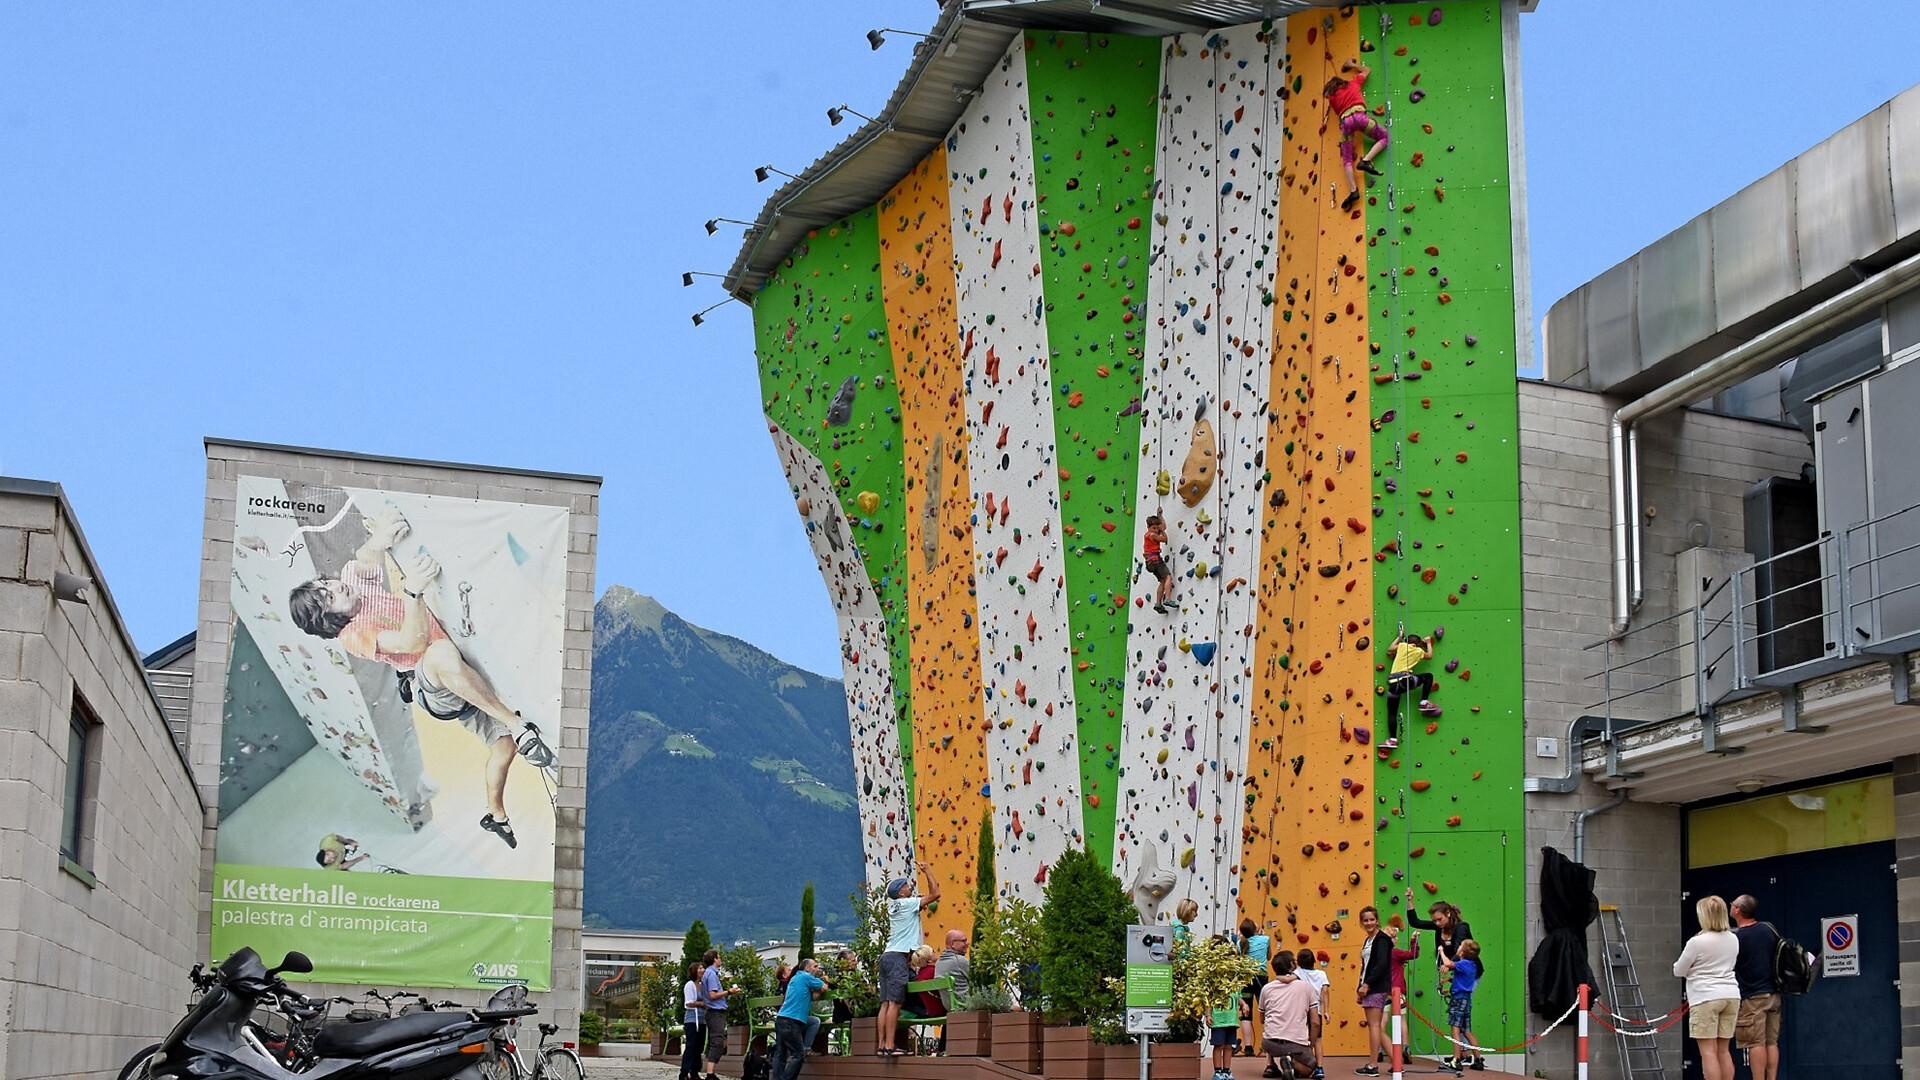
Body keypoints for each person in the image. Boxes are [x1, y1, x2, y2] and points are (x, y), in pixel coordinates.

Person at [287, 506, 528, 848]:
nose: (336, 587)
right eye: (329, 597)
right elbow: (413, 642)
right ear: (330, 619)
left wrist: (379, 538)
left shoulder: (353, 583)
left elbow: (363, 558)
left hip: (458, 677)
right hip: (435, 687)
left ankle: (495, 815)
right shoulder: (353, 635)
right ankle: (515, 722)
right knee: (439, 653)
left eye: (327, 584)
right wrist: (412, 591)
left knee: (504, 748)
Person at [876, 862, 941, 1056]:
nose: (909, 887)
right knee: (895, 1003)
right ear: (901, 893)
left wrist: (918, 901)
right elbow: (935, 894)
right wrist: (927, 871)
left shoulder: (895, 907)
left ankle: (882, 1045)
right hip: (898, 957)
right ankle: (890, 1046)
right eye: (906, 886)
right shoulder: (907, 903)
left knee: (885, 1004)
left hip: (887, 956)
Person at [1673, 896, 1740, 1080]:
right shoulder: (1733, 938)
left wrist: (1694, 969)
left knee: (1708, 1052)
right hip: (1731, 994)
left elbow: (1679, 970)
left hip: (1705, 996)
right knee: (1724, 1051)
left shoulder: (1696, 942)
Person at [1324, 60, 1389, 211]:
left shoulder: (1332, 99)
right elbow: (1367, 70)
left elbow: (1335, 105)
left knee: (1347, 160)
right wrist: (1352, 65)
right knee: (1384, 137)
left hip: (1346, 123)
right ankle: (1366, 160)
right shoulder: (1353, 84)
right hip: (1360, 117)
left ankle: (1353, 191)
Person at [1729, 895, 1781, 1080]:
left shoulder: (1738, 938)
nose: (1731, 906)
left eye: (1733, 904)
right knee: (1771, 1042)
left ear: (1738, 911)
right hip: (1773, 993)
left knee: (1755, 1043)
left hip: (1752, 997)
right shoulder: (1768, 929)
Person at [1258, 951, 1320, 1079]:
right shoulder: (1306, 987)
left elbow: (1262, 1018)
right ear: (1292, 964)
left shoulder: (1266, 988)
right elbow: (1315, 1022)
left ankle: (1271, 1065)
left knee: (1271, 1026)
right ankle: (1291, 1062)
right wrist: (1311, 1044)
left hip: (1270, 1043)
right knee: (1311, 1067)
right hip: (1296, 1043)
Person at [1380, 632, 1440, 750]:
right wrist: (1428, 643)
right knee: (1428, 676)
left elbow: (1390, 648)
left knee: (1392, 713)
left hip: (1393, 685)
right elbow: (1429, 656)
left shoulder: (1402, 646)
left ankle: (1392, 740)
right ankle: (1424, 702)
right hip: (1406, 681)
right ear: (1417, 644)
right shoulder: (1419, 651)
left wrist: (1399, 637)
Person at [770, 956, 827, 1080]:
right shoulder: (807, 977)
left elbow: (813, 996)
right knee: (798, 1055)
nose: (817, 969)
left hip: (781, 1019)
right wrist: (824, 982)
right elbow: (824, 987)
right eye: (815, 966)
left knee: (780, 1054)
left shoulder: (795, 978)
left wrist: (815, 991)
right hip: (792, 1021)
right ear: (807, 968)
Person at [1406, 891, 1476, 982]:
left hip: (1465, 966)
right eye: (1434, 921)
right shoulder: (1439, 927)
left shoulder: (1461, 928)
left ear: (1448, 913)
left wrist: (1449, 965)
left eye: (1439, 919)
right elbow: (1414, 922)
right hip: (1448, 966)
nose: (1437, 923)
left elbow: (1460, 951)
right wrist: (1410, 900)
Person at [1354, 907, 1391, 1075]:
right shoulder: (1368, 940)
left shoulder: (1382, 939)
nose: (1369, 923)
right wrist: (1360, 987)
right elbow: (1365, 966)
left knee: (1374, 1026)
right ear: (1361, 922)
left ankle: (1373, 1065)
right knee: (1376, 1027)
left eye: (1372, 919)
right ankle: (1396, 1061)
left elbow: (1381, 965)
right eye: (1365, 920)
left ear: (1377, 920)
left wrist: (1367, 984)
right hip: (1368, 987)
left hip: (1376, 987)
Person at [701, 947, 743, 1080]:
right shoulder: (712, 974)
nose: (720, 959)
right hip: (715, 1011)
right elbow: (713, 995)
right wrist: (729, 992)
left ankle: (710, 1072)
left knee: (715, 1040)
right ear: (715, 959)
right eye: (719, 957)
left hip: (711, 1011)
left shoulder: (707, 973)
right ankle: (710, 1073)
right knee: (717, 1041)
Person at [1440, 939, 1483, 1072]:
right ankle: (1478, 1060)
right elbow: (1463, 979)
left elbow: (1448, 963)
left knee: (1455, 1029)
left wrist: (1441, 951)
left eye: (1460, 946)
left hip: (1458, 1000)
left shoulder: (1463, 963)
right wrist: (1449, 980)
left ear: (1462, 952)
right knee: (1467, 1031)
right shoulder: (1472, 965)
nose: (1457, 947)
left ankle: (1456, 1060)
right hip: (1466, 1000)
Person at [1294, 950, 1330, 1079]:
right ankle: (1319, 1068)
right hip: (1317, 1010)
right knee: (1318, 1040)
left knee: (1300, 1039)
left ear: (1298, 962)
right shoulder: (1321, 974)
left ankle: (1299, 1066)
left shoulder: (1297, 973)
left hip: (1301, 1011)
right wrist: (1326, 1010)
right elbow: (1325, 992)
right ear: (1314, 961)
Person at [1209, 936, 1241, 1080]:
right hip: (1219, 1017)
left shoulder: (1233, 974)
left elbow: (1237, 993)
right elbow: (1209, 996)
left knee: (1229, 1045)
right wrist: (1208, 1014)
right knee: (1219, 1045)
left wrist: (1243, 1004)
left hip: (1231, 1017)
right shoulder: (1214, 974)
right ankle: (1217, 1071)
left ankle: (1227, 1071)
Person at [1240, 917, 1273, 1054]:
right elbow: (1269, 956)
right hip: (1261, 978)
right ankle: (1267, 1044)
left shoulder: (1240, 943)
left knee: (1245, 1012)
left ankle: (1248, 1047)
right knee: (1266, 1010)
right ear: (1255, 929)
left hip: (1245, 978)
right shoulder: (1265, 939)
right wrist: (1263, 936)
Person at [679, 961, 706, 1080]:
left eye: (703, 968)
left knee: (699, 1047)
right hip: (692, 1020)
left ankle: (694, 1072)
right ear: (694, 971)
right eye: (700, 968)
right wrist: (702, 1004)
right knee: (691, 1046)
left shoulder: (702, 985)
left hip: (702, 1020)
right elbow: (689, 1003)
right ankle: (684, 1072)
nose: (703, 970)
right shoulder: (690, 985)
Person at [935, 929, 971, 1009]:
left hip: (950, 1007)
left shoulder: (939, 962)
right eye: (964, 941)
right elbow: (977, 981)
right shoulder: (960, 961)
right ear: (952, 944)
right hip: (964, 1005)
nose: (967, 943)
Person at [1145, 515, 1174, 613]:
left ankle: (1158, 603)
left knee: (1162, 581)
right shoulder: (1152, 535)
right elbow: (1164, 539)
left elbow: (1163, 526)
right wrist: (1162, 531)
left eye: (1157, 528)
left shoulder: (1148, 535)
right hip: (1155, 560)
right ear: (1148, 527)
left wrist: (1160, 516)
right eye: (1154, 528)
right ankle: (1168, 599)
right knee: (1168, 577)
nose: (1156, 530)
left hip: (1149, 562)